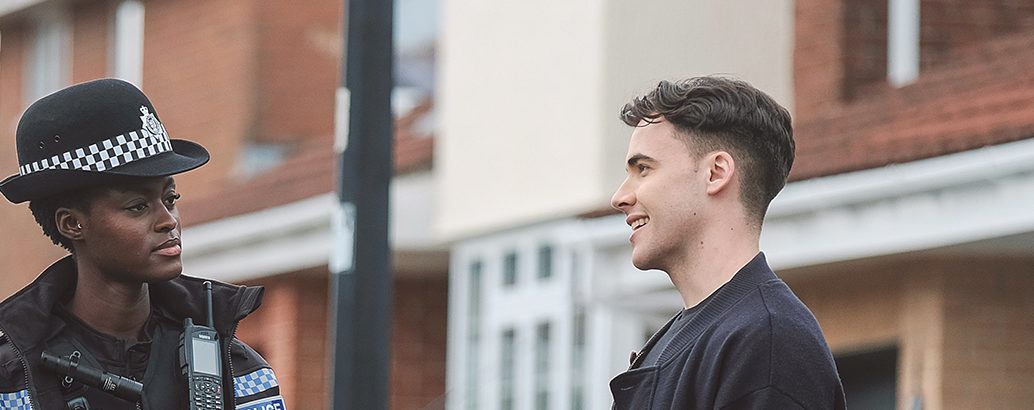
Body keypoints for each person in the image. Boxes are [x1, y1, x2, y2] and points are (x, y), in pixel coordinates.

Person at [0, 79, 285, 409]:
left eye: (170, 199)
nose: (168, 220)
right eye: (138, 206)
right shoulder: (11, 380)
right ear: (72, 224)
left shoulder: (239, 371)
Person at [608, 76, 846, 409]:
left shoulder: (768, 339)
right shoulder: (671, 346)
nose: (620, 197)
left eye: (643, 169)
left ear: (716, 172)